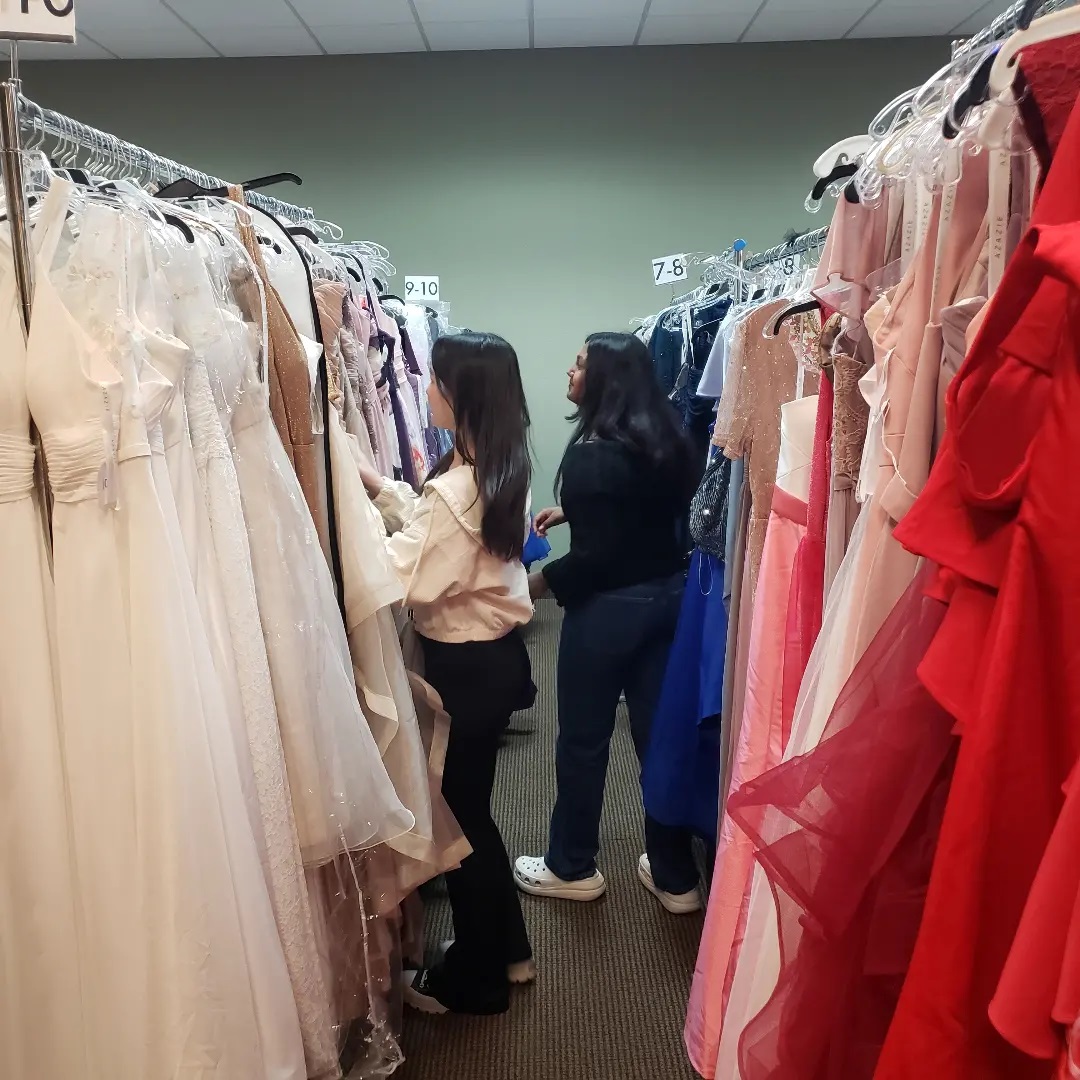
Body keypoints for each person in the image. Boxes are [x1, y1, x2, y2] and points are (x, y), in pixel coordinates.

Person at [359, 331, 536, 1016]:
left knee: (462, 827)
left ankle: (478, 977)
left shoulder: (459, 489)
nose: (424, 390)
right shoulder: (491, 467)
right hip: (490, 665)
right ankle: (506, 951)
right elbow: (443, 536)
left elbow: (405, 578)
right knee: (475, 817)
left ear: (457, 394)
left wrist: (344, 537)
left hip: (466, 671)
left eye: (433, 381)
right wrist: (386, 493)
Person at [515, 332, 703, 914]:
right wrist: (579, 510)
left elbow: (599, 559)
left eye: (578, 365)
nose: (568, 374)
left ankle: (571, 866)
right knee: (657, 739)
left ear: (604, 382)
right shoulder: (667, 436)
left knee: (584, 741)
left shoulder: (591, 453)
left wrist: (533, 588)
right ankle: (676, 878)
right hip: (669, 603)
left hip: (609, 615)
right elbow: (645, 512)